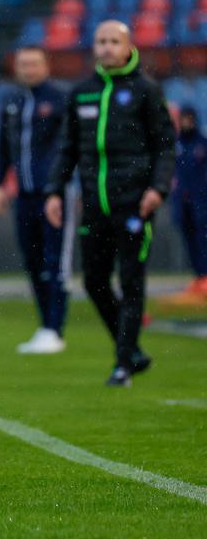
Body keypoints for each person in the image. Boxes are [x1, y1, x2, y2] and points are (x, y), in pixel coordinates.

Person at [44, 20, 175, 387]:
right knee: (94, 281)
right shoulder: (82, 92)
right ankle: (130, 349)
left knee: (132, 282)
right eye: (100, 41)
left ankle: (122, 363)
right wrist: (55, 190)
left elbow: (165, 145)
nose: (105, 48)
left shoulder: (146, 91)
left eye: (113, 41)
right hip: (93, 205)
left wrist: (157, 189)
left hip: (135, 204)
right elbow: (68, 147)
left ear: (128, 45)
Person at [0, 46, 73, 354]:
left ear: (46, 65)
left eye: (34, 63)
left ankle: (55, 327)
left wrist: (61, 187)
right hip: (24, 195)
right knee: (33, 261)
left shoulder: (60, 99)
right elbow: (3, 145)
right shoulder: (12, 101)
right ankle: (45, 326)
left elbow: (70, 146)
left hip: (54, 195)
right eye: (23, 63)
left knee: (56, 262)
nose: (28, 69)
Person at [169, 107, 207, 299]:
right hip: (183, 202)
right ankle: (199, 276)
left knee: (203, 240)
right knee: (190, 239)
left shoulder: (202, 143)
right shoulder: (176, 144)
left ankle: (205, 276)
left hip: (201, 200)